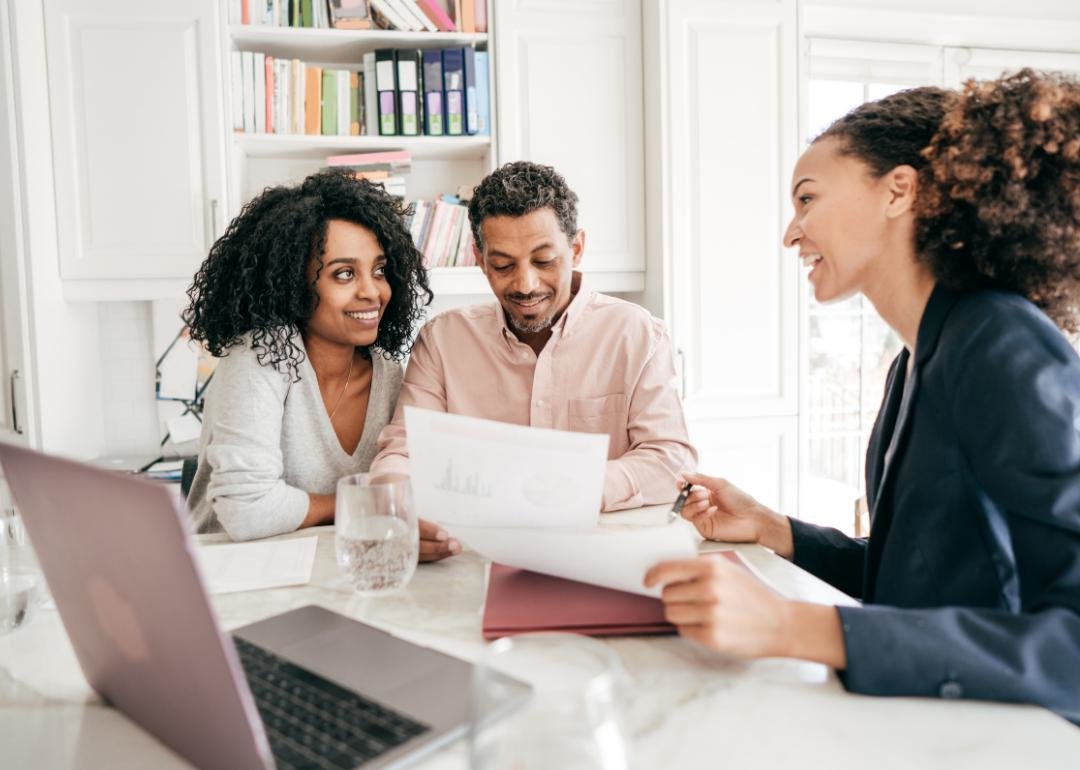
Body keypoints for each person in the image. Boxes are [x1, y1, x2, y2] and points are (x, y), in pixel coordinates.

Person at [645, 70, 1080, 722]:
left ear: (897, 191)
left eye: (807, 199)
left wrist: (792, 627)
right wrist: (773, 528)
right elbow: (920, 577)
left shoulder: (999, 342)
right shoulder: (918, 360)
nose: (791, 234)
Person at [370, 161, 697, 561]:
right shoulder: (443, 341)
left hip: (605, 558)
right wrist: (400, 512)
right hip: (474, 558)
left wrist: (575, 486)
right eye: (503, 265)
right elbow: (401, 452)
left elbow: (670, 461)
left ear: (576, 248)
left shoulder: (638, 334)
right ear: (479, 257)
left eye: (543, 261)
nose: (525, 285)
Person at [184, 169, 431, 541]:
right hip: (229, 576)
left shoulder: (389, 375)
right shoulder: (259, 357)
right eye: (344, 274)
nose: (372, 292)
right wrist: (362, 503)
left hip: (330, 571)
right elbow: (247, 511)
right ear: (291, 283)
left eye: (379, 271)